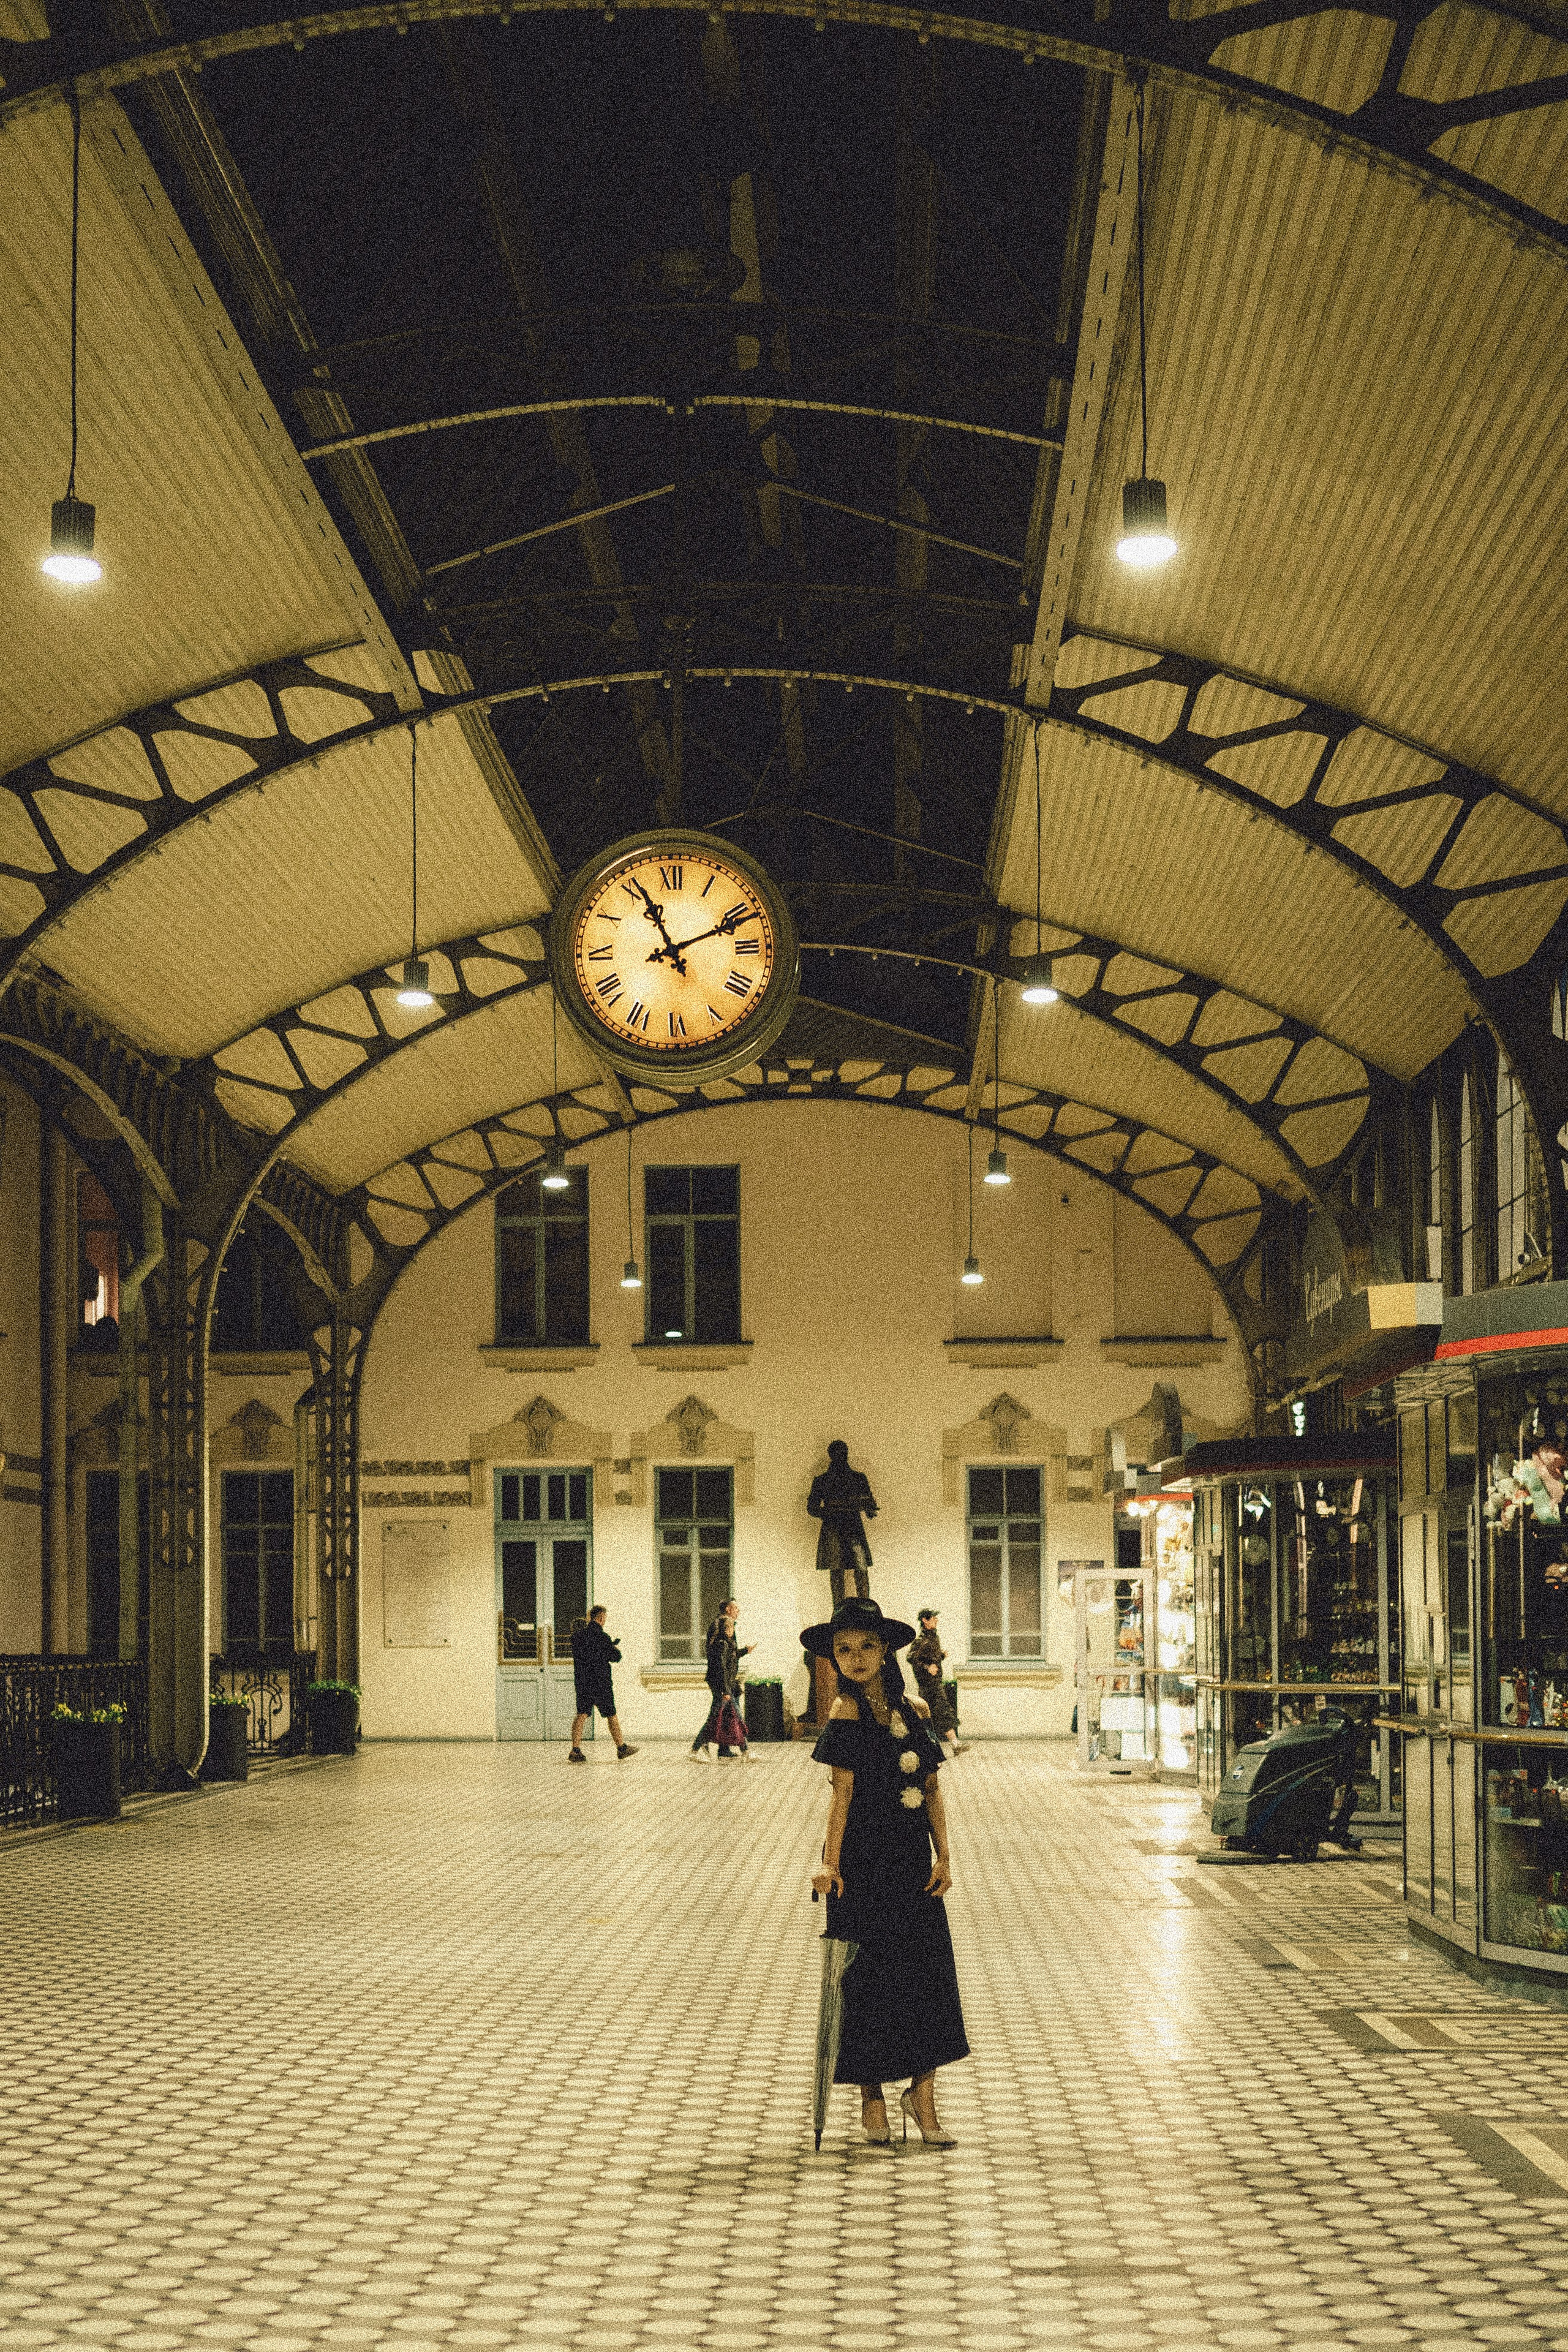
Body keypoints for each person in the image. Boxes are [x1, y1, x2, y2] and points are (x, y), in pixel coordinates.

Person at [807, 1596, 969, 2147]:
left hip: (910, 1861)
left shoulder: (915, 1712)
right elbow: (841, 1793)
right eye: (844, 1649)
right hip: (861, 1864)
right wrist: (829, 1864)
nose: (855, 1658)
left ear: (885, 1652)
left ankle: (922, 2097)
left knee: (927, 1977)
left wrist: (944, 1855)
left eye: (866, 1647)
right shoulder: (843, 1713)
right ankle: (871, 2096)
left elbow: (932, 1788)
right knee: (868, 1980)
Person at [807, 1441, 878, 1605]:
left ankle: (866, 1608)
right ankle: (838, 1609)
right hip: (833, 1527)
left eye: (843, 1453)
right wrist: (833, 1511)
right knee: (837, 1570)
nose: (841, 1457)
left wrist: (868, 1508)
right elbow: (812, 1508)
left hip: (853, 1526)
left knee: (861, 1569)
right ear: (831, 1456)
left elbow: (870, 1506)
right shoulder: (822, 1481)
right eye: (838, 1454)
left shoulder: (858, 1478)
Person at [568, 1607, 638, 1762]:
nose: (605, 1621)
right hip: (601, 1683)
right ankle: (621, 1747)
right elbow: (615, 1657)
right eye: (604, 1618)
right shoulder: (603, 1637)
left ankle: (575, 1750)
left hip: (583, 1682)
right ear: (600, 1618)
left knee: (582, 1714)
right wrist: (614, 1648)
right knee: (611, 1715)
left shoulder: (578, 1637)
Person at [692, 1597, 754, 1760]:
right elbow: (720, 1664)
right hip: (722, 1683)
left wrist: (744, 1651)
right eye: (735, 1608)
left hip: (727, 1682)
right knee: (728, 1716)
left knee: (727, 1716)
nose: (738, 1611)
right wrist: (725, 1689)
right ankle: (697, 1748)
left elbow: (729, 1657)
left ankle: (724, 1750)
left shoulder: (725, 1637)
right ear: (727, 1609)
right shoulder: (722, 1633)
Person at [907, 1609, 962, 1758]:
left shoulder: (933, 1638)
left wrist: (940, 1657)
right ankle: (918, 1747)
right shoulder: (921, 1640)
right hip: (928, 1686)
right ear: (925, 1621)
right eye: (933, 1618)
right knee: (924, 1716)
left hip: (936, 1685)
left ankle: (955, 1745)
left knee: (942, 1713)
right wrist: (927, 1668)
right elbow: (911, 1658)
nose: (936, 1620)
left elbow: (930, 1658)